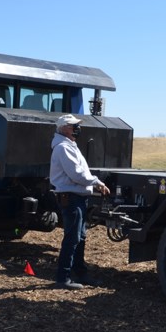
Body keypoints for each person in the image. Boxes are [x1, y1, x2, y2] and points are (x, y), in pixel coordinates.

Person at [49, 114, 110, 289]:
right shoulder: (63, 148)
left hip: (77, 198)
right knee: (72, 238)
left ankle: (79, 273)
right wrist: (97, 182)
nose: (77, 128)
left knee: (79, 237)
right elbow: (77, 174)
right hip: (72, 198)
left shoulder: (69, 146)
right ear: (64, 128)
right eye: (73, 125)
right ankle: (63, 278)